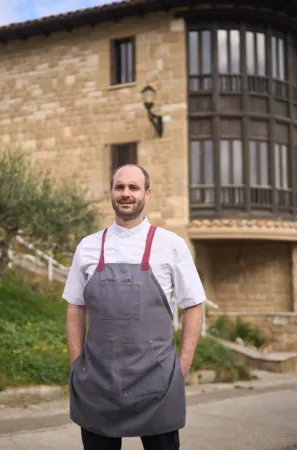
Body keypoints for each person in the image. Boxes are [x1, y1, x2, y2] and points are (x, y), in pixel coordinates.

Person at [62, 164, 206, 450]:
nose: (126, 194)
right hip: (98, 382)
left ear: (147, 193)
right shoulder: (88, 246)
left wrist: (183, 367)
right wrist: (77, 365)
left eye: (133, 187)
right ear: (111, 193)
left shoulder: (171, 245)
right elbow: (75, 307)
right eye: (120, 187)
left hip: (157, 381)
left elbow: (194, 305)